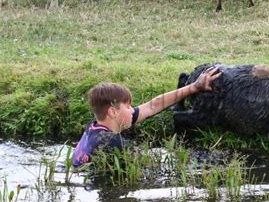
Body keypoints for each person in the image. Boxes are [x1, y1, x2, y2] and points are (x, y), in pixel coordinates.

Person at [71, 67, 221, 167]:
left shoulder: (94, 128)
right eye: (128, 106)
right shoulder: (111, 142)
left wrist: (194, 87)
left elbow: (152, 106)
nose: (132, 110)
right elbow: (147, 164)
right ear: (112, 111)